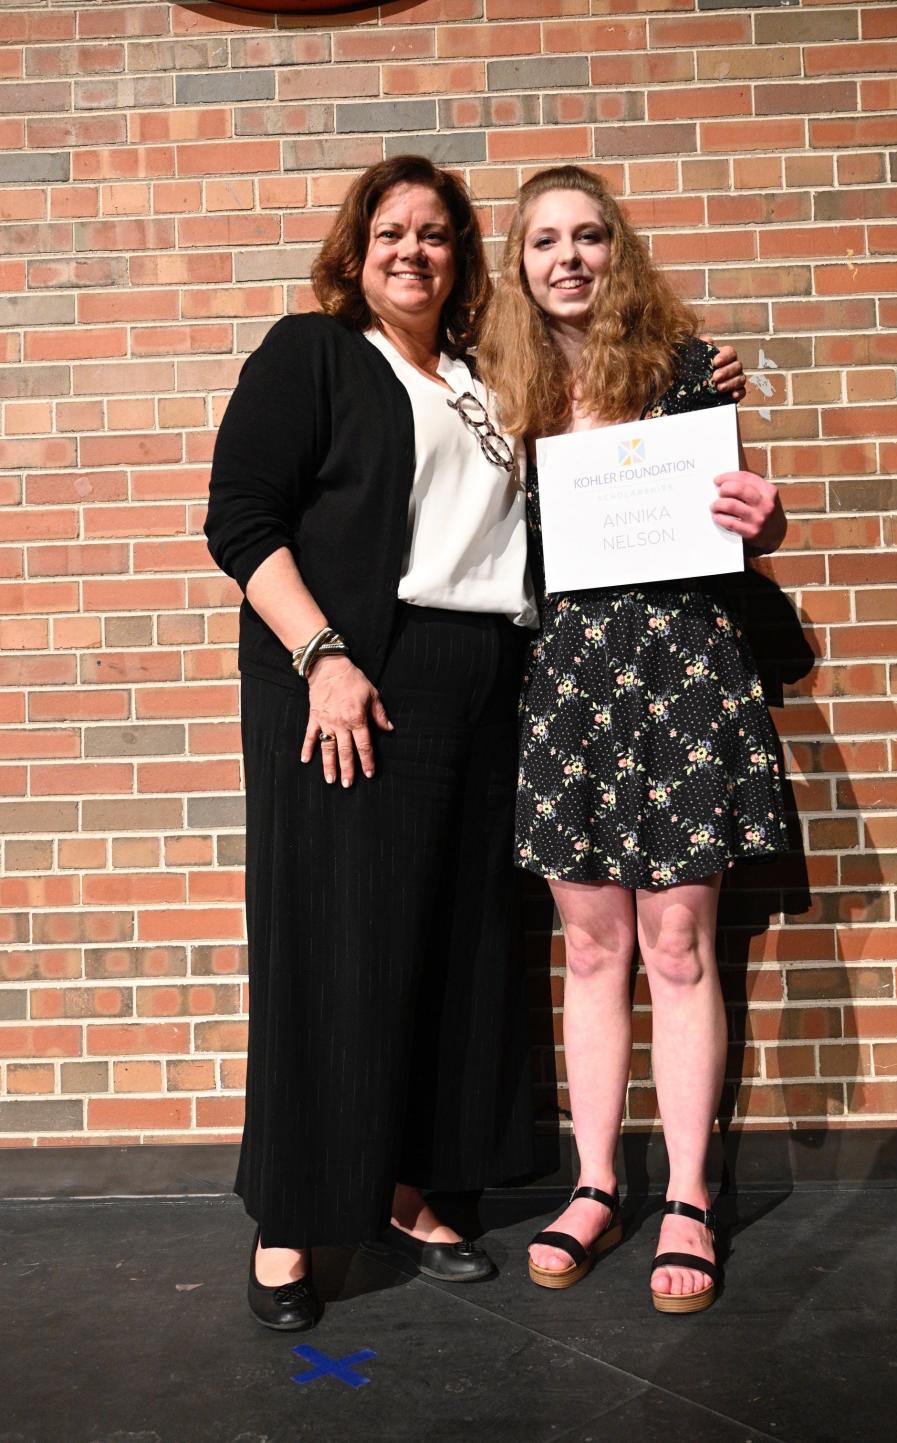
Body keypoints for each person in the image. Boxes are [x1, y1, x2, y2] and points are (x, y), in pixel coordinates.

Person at [205, 155, 540, 1330]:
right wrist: (324, 658)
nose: (414, 250)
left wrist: (699, 386)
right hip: (353, 677)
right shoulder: (313, 353)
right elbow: (240, 519)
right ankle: (291, 1223)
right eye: (391, 231)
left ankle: (410, 1189)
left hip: (487, 680)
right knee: (332, 949)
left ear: (461, 258)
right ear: (356, 252)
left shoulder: (488, 377)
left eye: (438, 234)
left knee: (458, 947)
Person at [478, 166, 789, 1314]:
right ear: (517, 263)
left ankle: (693, 1195)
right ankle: (598, 1182)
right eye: (545, 239)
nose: (569, 257)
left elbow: (734, 519)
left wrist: (767, 515)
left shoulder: (682, 371)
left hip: (680, 665)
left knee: (679, 944)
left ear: (619, 252)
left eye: (590, 236)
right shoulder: (495, 391)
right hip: (566, 682)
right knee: (594, 947)